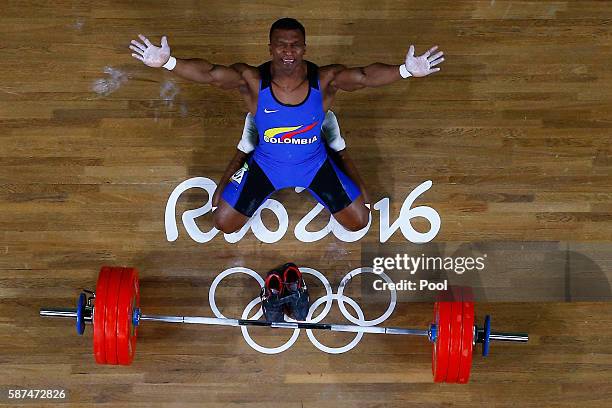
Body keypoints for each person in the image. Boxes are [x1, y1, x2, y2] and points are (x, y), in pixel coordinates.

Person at [129, 18, 444, 234]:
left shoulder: (325, 79)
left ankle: (337, 154)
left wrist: (404, 70)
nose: (288, 51)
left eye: (295, 45)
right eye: (282, 44)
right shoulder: (252, 80)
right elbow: (211, 74)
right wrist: (169, 63)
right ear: (270, 47)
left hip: (315, 164)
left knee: (359, 221)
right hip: (267, 164)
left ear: (305, 47)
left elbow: (364, 77)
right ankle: (244, 153)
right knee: (223, 223)